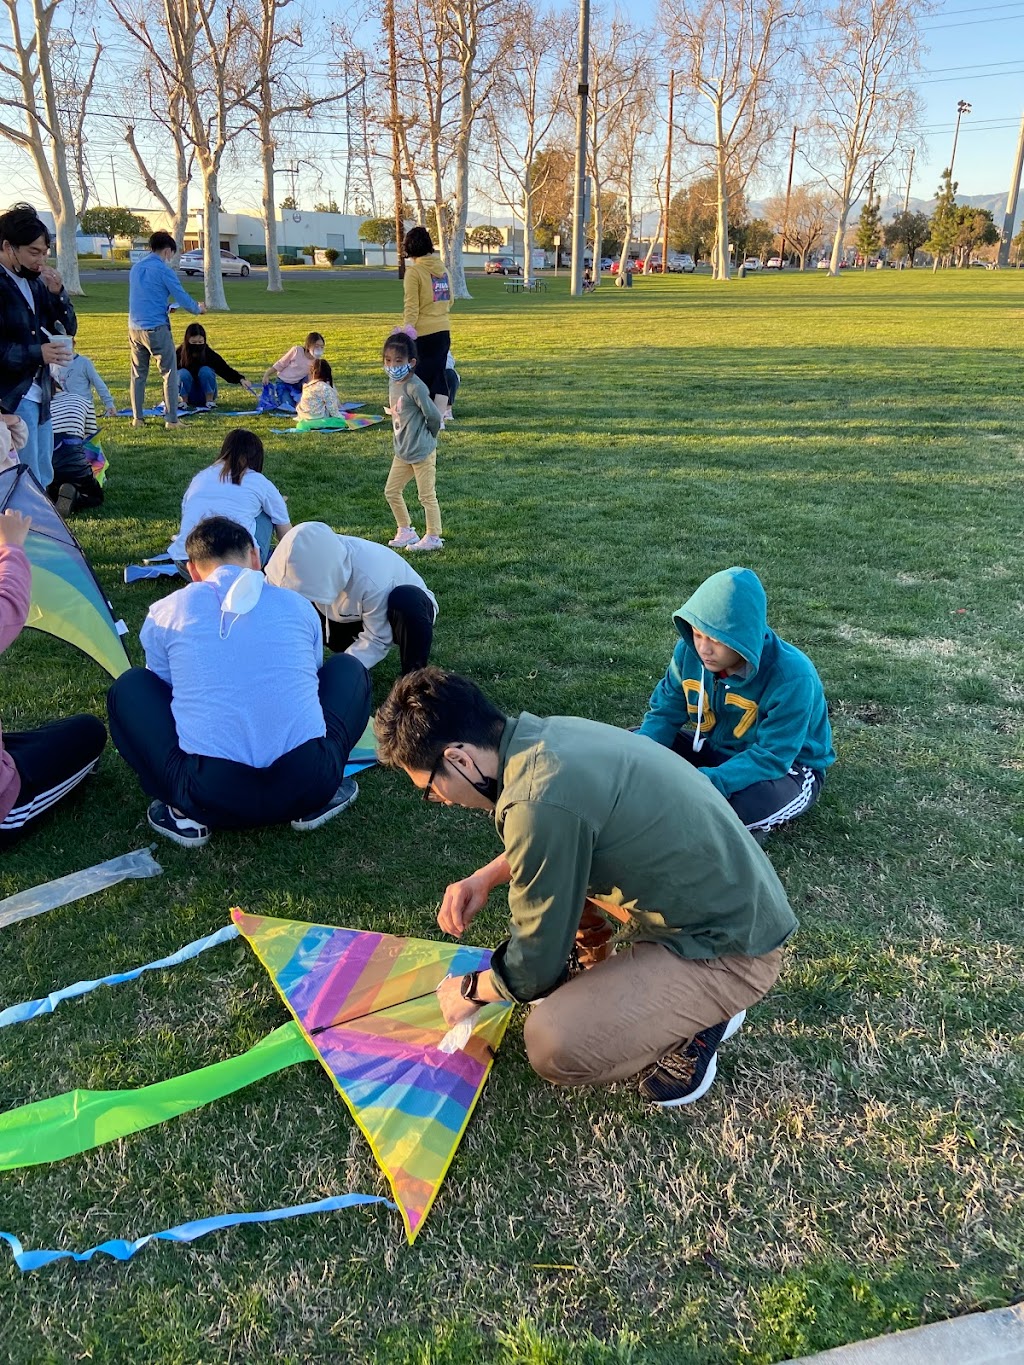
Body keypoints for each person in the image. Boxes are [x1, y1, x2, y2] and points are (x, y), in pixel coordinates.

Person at [374, 668, 797, 1108]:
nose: (439, 800)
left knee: (553, 1042)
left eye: (429, 788)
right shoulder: (541, 740)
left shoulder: (536, 801)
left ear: (459, 759)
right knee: (558, 880)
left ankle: (698, 1020)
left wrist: (470, 990)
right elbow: (566, 827)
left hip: (729, 949)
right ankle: (636, 984)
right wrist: (486, 876)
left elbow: (533, 964)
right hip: (724, 905)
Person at [107, 515, 371, 847]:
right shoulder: (297, 605)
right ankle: (321, 794)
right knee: (348, 669)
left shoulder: (167, 611)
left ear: (192, 570)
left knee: (131, 686)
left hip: (208, 794)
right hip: (309, 781)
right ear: (256, 557)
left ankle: (183, 813)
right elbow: (313, 675)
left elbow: (165, 687)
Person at [637, 567, 835, 842]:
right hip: (712, 749)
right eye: (697, 634)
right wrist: (639, 757)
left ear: (743, 640)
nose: (704, 649)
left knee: (728, 810)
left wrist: (707, 782)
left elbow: (773, 756)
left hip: (787, 768)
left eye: (716, 640)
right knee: (632, 744)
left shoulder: (792, 676)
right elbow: (664, 714)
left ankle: (741, 828)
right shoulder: (688, 654)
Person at [0, 506, 106, 845]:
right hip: (5, 810)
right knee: (88, 732)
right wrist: (12, 546)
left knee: (49, 735)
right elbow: (10, 604)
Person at [265, 521, 437, 674]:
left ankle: (414, 676)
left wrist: (339, 673)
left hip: (403, 612)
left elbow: (377, 638)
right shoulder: (284, 565)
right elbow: (275, 606)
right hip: (344, 613)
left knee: (406, 600)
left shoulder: (372, 575)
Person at [0, 202, 78, 489]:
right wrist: (38, 353)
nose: (41, 260)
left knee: (43, 475)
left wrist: (58, 294)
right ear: (9, 246)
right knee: (20, 479)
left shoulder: (34, 283)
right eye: (34, 252)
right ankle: (21, 532)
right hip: (10, 397)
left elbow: (67, 328)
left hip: (40, 393)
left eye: (44, 252)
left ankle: (38, 530)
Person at [166, 428, 291, 568]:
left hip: (186, 561)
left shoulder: (200, 478)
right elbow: (285, 530)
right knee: (269, 512)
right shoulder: (259, 481)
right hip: (236, 565)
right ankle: (262, 558)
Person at [128, 230, 205, 430]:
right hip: (156, 328)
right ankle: (172, 420)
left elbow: (146, 297)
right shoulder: (164, 270)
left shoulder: (136, 268)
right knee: (169, 373)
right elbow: (181, 295)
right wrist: (198, 309)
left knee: (138, 374)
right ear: (168, 251)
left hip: (134, 328)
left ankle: (137, 418)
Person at [382, 333, 442, 553]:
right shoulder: (393, 382)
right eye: (388, 360)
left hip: (422, 451)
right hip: (403, 451)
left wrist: (429, 436)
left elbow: (433, 416)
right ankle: (406, 530)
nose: (392, 366)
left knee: (426, 496)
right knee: (391, 491)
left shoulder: (415, 387)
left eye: (398, 361)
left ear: (411, 363)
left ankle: (433, 536)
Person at [401, 227, 452, 427]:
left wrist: (407, 332)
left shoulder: (414, 272)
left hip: (421, 332)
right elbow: (450, 299)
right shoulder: (443, 268)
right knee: (439, 374)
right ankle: (438, 418)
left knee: (418, 376)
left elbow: (411, 306)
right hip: (443, 329)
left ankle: (421, 416)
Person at [47, 374, 104, 517]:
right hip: (75, 462)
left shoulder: (38, 408)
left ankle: (53, 494)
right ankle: (76, 497)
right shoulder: (83, 401)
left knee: (49, 487)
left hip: (48, 464)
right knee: (96, 497)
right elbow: (91, 439)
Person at [175, 322, 256, 409]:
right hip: (189, 393)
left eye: (200, 342)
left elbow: (224, 369)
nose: (197, 345)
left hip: (206, 392)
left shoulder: (209, 354)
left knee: (206, 370)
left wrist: (241, 379)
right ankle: (184, 402)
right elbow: (169, 374)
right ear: (187, 341)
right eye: (194, 342)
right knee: (182, 373)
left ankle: (209, 401)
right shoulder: (179, 354)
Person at [260, 332, 325, 411]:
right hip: (283, 383)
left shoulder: (316, 361)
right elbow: (280, 364)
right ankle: (280, 396)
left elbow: (314, 379)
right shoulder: (297, 351)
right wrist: (267, 375)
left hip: (299, 384)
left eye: (321, 347)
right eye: (316, 346)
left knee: (305, 406)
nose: (319, 349)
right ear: (309, 345)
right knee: (291, 408)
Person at [50, 342, 116, 416]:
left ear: (73, 344)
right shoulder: (51, 364)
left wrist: (109, 404)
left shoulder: (84, 363)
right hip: (60, 409)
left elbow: (98, 384)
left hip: (82, 408)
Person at [295, 357, 342, 422]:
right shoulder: (325, 388)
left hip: (303, 415)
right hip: (318, 417)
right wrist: (342, 418)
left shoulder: (307, 386)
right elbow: (333, 409)